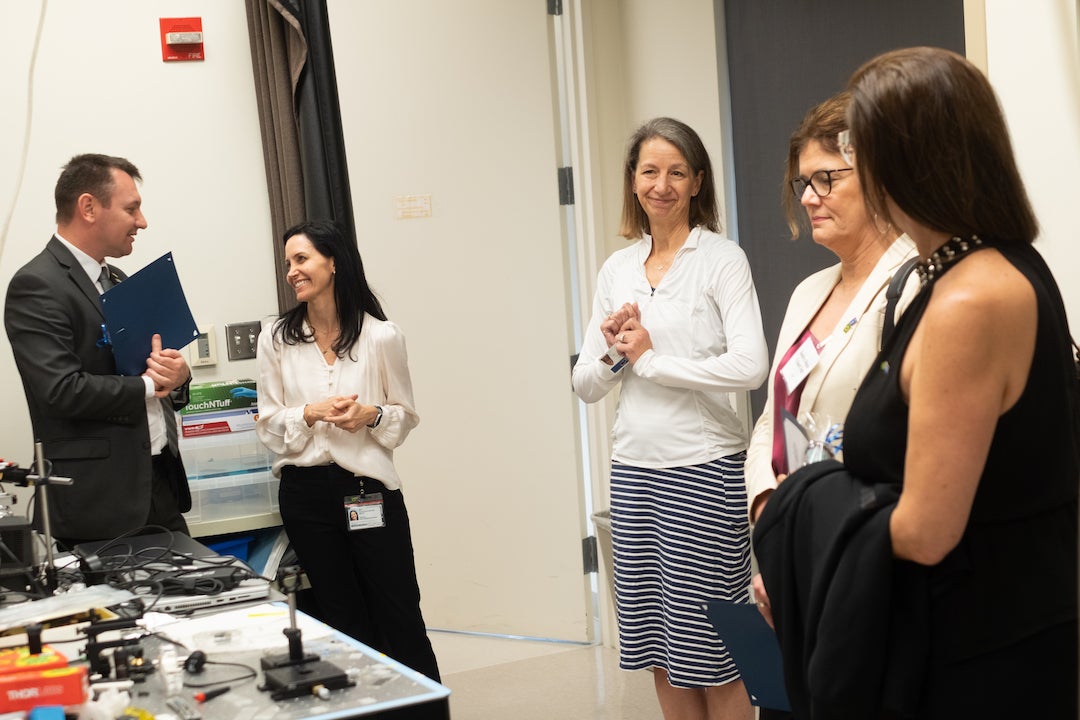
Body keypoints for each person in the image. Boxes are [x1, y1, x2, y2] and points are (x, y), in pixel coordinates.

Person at [759, 47, 1079, 718]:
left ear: (903, 161)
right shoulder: (983, 267)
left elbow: (925, 529)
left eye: (858, 153)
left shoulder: (971, 299)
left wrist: (794, 513)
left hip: (977, 652)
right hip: (982, 631)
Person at [572, 117, 769, 720]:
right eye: (650, 171)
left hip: (705, 471)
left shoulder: (721, 259)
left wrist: (653, 360)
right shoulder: (616, 269)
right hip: (633, 474)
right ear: (633, 182)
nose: (663, 184)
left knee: (721, 646)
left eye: (677, 172)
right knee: (659, 647)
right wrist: (614, 349)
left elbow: (751, 367)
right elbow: (584, 384)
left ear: (697, 181)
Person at [745, 92, 917, 616]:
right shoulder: (807, 292)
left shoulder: (915, 286)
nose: (808, 197)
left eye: (828, 179)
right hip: (790, 544)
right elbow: (773, 420)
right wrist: (768, 510)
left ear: (880, 179)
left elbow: (908, 443)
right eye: (804, 182)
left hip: (866, 556)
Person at [254, 220, 440, 689]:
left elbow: (404, 418)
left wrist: (370, 416)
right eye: (288, 264)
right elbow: (269, 426)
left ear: (333, 262)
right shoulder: (276, 338)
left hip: (368, 492)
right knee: (341, 621)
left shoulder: (381, 336)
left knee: (399, 615)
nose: (293, 272)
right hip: (306, 497)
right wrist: (310, 414)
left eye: (302, 259)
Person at [4, 153, 193, 548]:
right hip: (98, 503)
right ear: (88, 207)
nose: (142, 222)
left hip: (158, 487)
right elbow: (60, 391)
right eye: (132, 208)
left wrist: (177, 376)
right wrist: (146, 385)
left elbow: (149, 373)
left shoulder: (118, 279)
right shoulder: (36, 285)